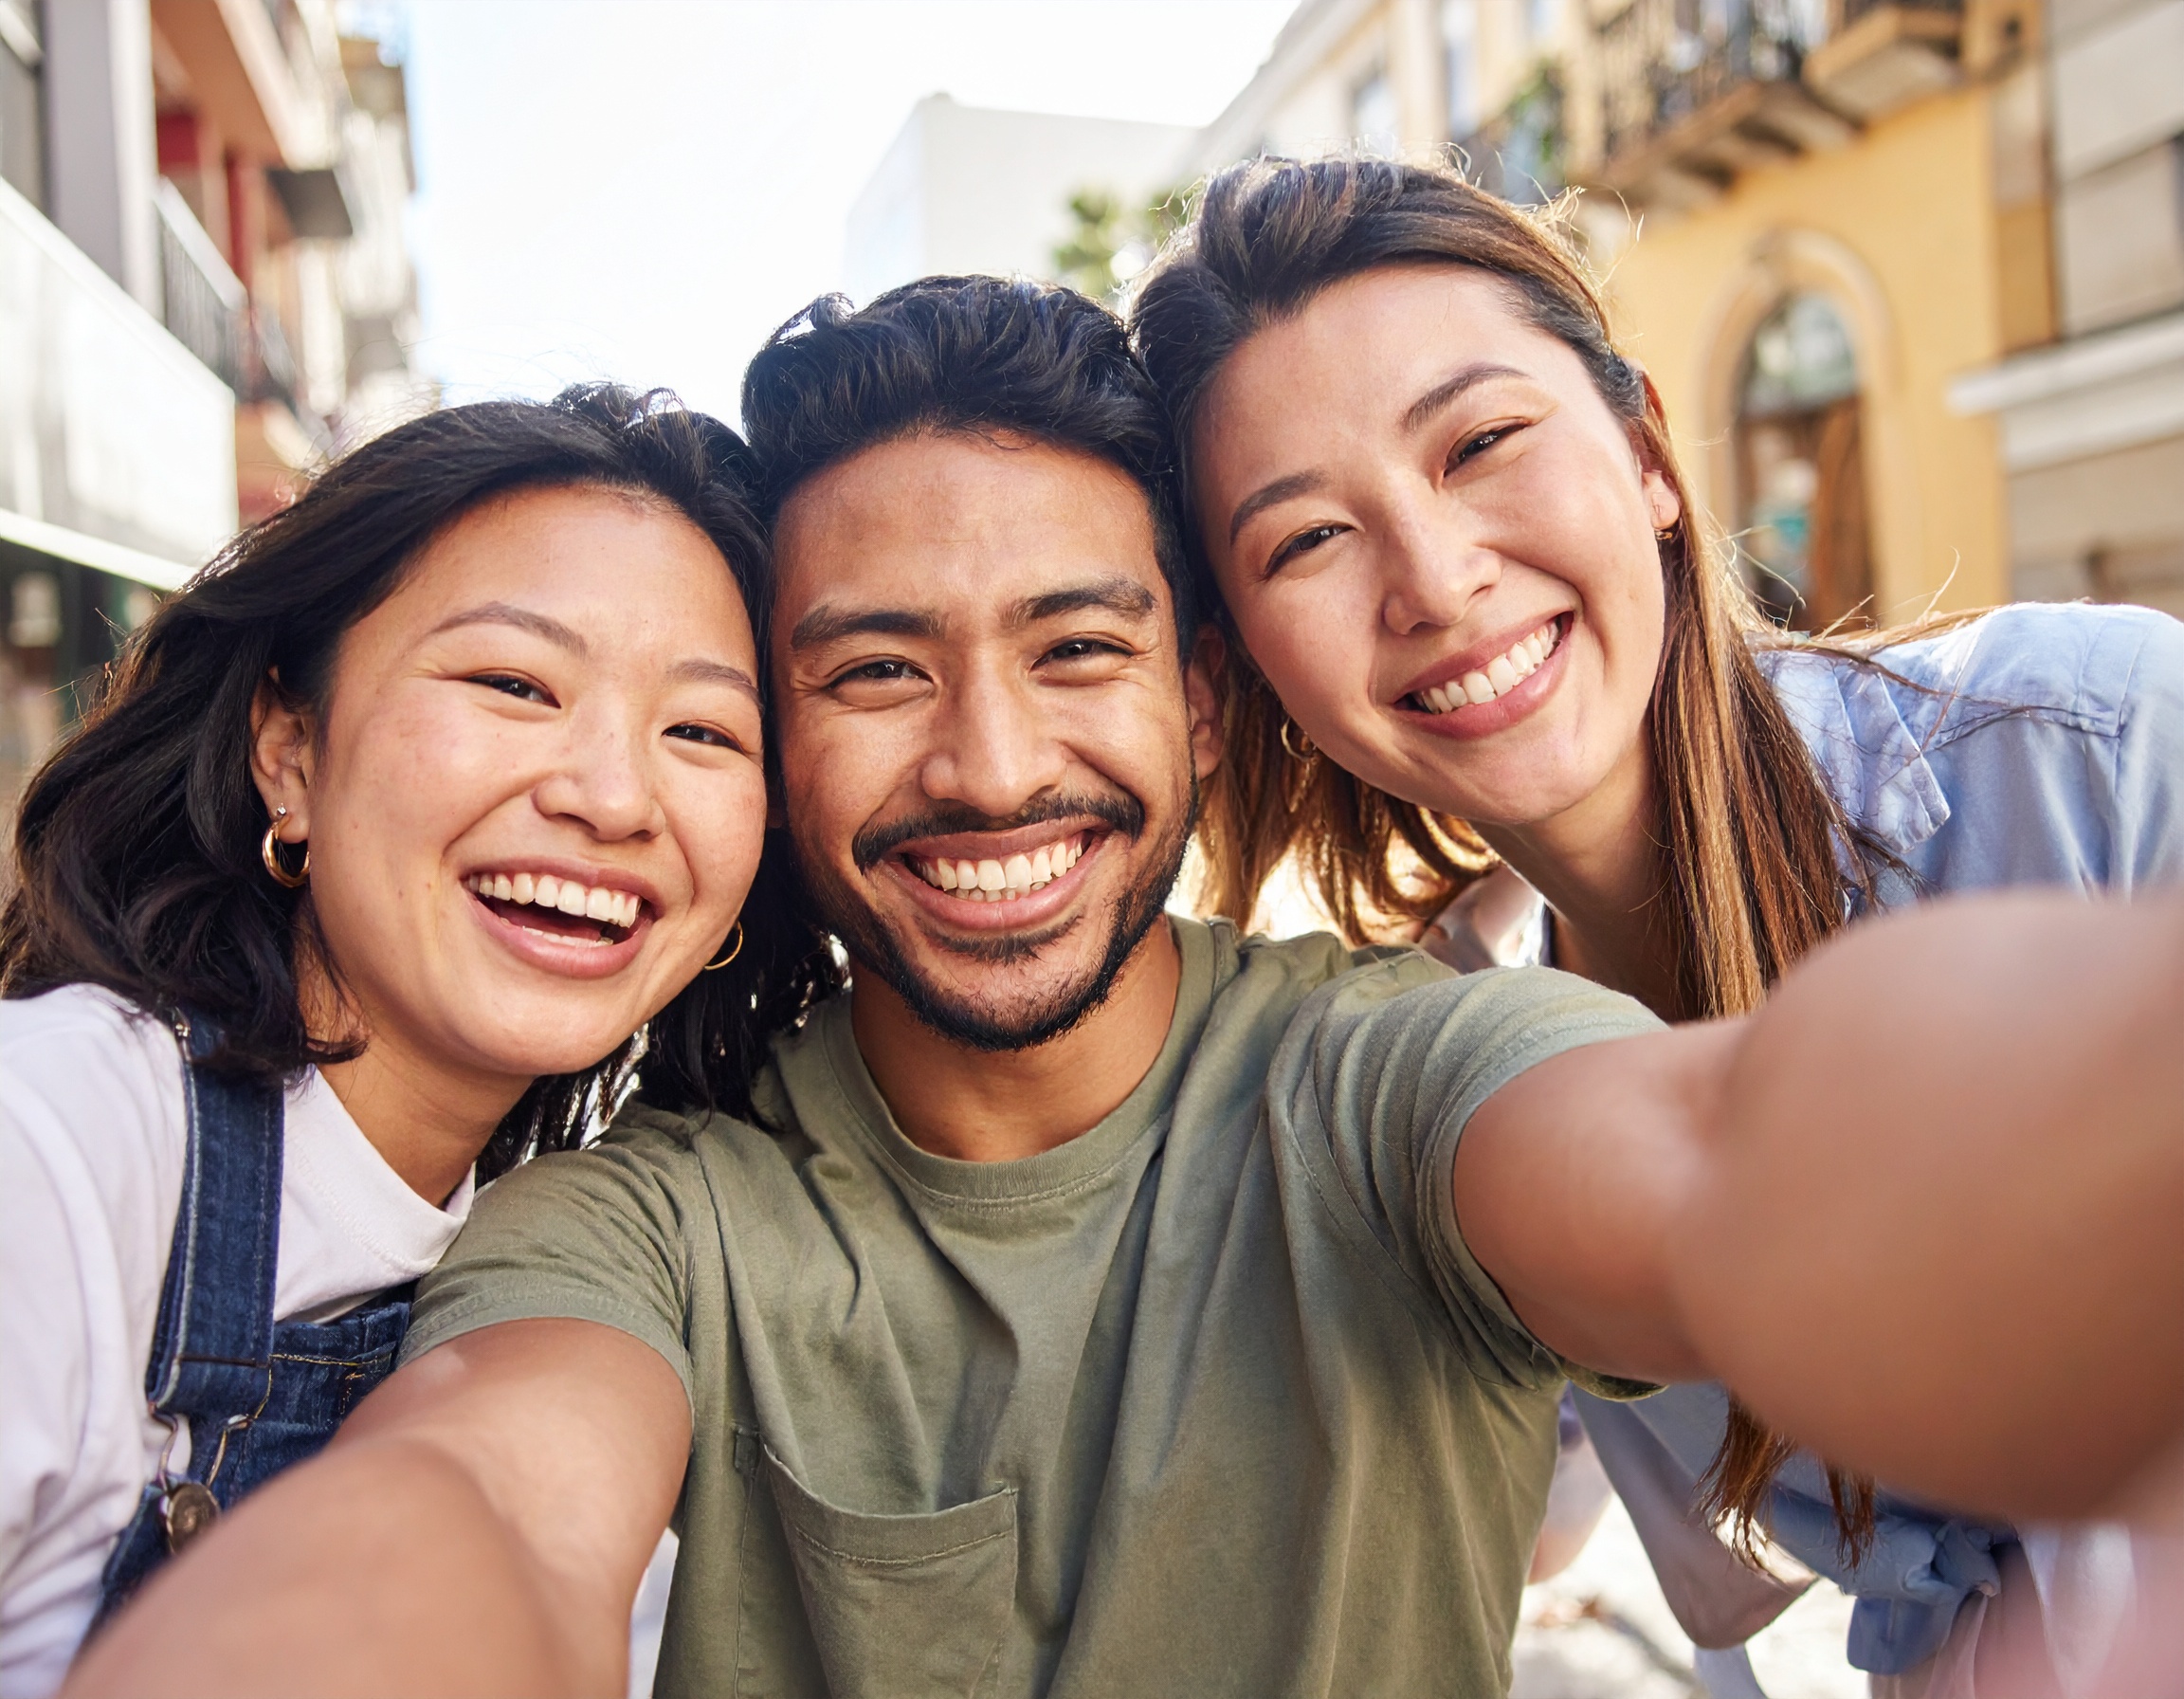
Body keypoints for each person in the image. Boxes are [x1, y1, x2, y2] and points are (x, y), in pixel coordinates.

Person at [59, 280, 2184, 1699]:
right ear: (782, 749)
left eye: (1076, 650)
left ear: (1193, 692)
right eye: (875, 669)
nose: (990, 763)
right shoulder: (648, 1211)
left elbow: (1718, 1156)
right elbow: (479, 1495)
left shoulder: (1395, 1064)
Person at [1128, 155, 2184, 1695]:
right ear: (1250, 675)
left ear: (1648, 457)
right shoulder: (1474, 1086)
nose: (1435, 579)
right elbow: (1500, 1516)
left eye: (1482, 442)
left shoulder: (2096, 754)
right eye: (1305, 540)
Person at [0, 387, 834, 1698]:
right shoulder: (51, 1137)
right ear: (289, 747)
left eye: (703, 733)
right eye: (515, 683)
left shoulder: (595, 1268)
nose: (613, 796)